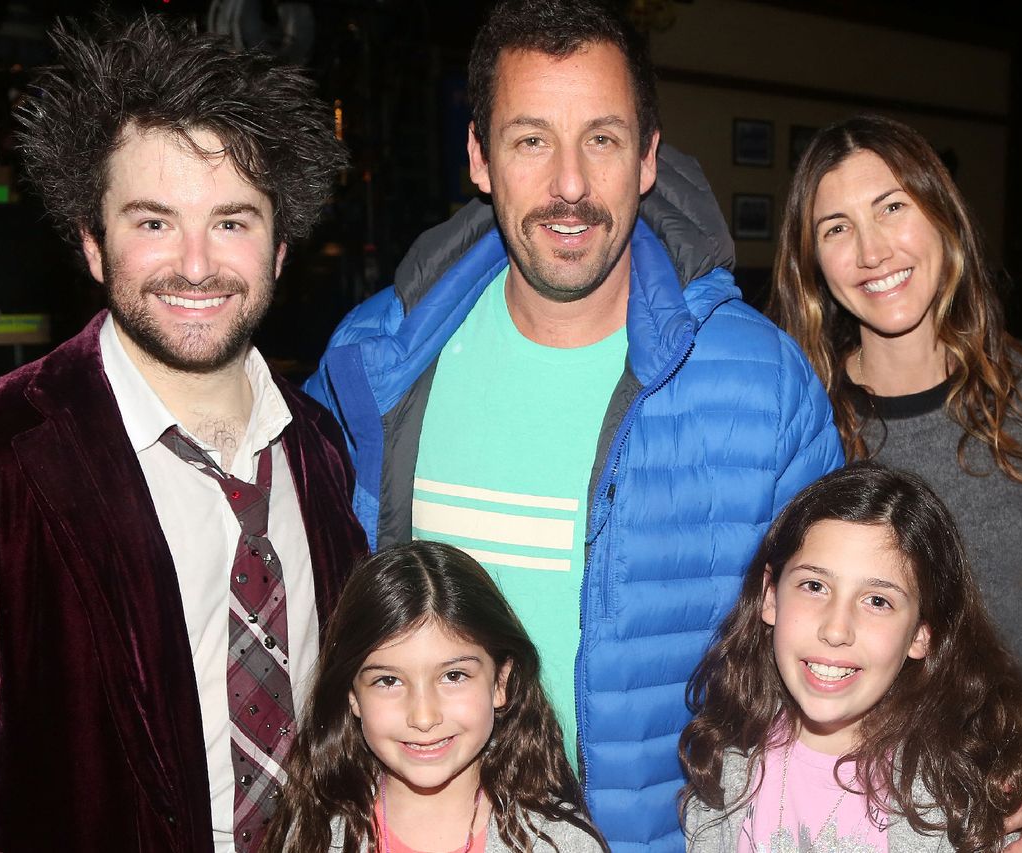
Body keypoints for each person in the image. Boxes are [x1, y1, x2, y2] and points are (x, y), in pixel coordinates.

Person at [304, 1, 843, 848]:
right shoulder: (374, 364)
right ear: (479, 157)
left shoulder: (763, 383)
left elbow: (850, 650)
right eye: (530, 140)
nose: (569, 185)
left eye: (602, 138)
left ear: (649, 158)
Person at [0, 14, 366, 853]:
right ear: (93, 244)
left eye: (232, 221)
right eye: (153, 222)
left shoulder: (321, 450)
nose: (196, 264)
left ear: (279, 250)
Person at [767, 113, 1022, 837]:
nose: (872, 250)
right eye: (836, 228)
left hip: (998, 800)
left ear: (941, 214)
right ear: (813, 263)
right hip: (842, 802)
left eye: (892, 207)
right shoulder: (801, 420)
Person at [679, 462, 1022, 852]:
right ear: (770, 596)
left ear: (921, 634)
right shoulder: (725, 769)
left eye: (877, 601)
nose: (836, 630)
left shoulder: (962, 794)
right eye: (815, 585)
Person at [263, 540, 608, 852]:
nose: (424, 717)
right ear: (352, 694)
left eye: (453, 676)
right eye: (388, 681)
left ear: (500, 682)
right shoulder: (313, 834)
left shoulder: (562, 845)